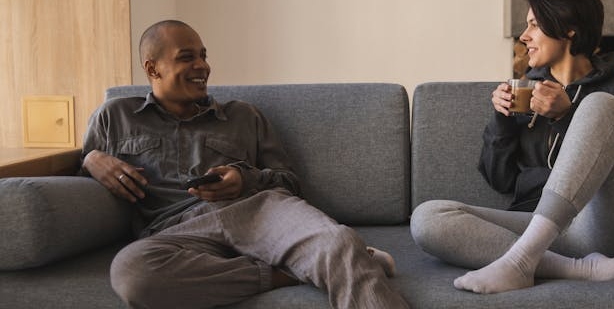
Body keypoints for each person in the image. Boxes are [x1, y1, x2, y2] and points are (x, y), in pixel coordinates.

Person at [80, 20, 409, 308]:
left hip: (260, 211)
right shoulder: (115, 116)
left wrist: (246, 178)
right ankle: (287, 273)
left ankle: (334, 259)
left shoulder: (242, 115)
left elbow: (290, 182)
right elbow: (78, 176)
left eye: (204, 56)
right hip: (178, 232)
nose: (203, 66)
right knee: (132, 272)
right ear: (153, 69)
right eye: (187, 57)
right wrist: (92, 160)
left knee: (337, 242)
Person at [410, 0, 614, 294]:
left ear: (569, 28)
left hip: (603, 223)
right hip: (540, 228)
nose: (524, 36)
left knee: (601, 105)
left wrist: (567, 115)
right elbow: (500, 180)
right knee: (428, 218)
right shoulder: (523, 90)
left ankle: (520, 262)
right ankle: (581, 269)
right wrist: (501, 120)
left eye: (534, 25)